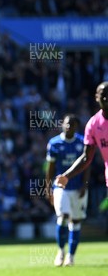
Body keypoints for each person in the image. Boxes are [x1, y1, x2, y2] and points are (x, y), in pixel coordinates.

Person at [56, 82, 108, 265]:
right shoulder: (94, 124)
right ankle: (63, 253)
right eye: (102, 94)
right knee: (64, 217)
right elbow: (86, 157)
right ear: (96, 97)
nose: (105, 97)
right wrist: (67, 175)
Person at [45, 115, 89, 267]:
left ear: (77, 126)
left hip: (77, 187)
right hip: (60, 187)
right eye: (66, 124)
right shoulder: (54, 143)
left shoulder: (82, 141)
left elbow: (86, 165)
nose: (69, 126)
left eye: (72, 124)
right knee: (63, 216)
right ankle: (61, 251)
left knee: (75, 221)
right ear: (62, 125)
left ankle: (71, 256)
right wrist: (48, 188)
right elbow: (50, 168)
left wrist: (85, 185)